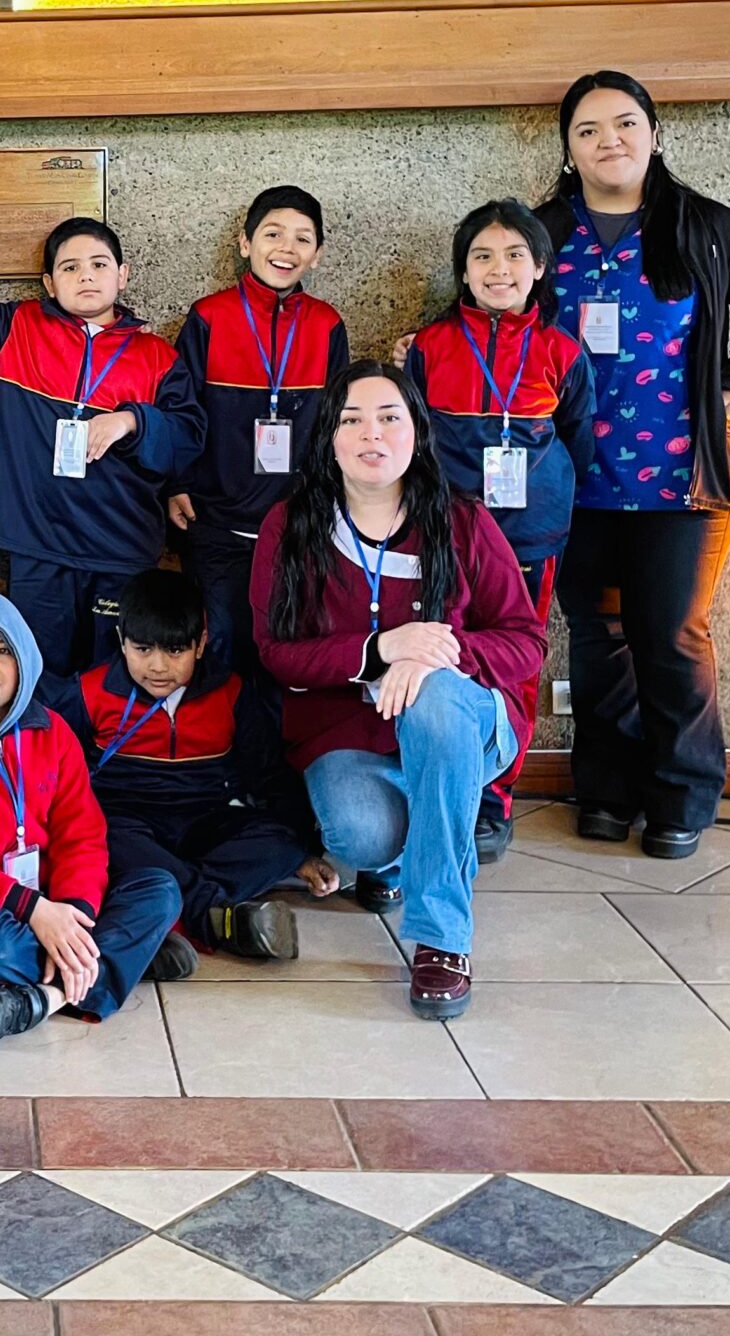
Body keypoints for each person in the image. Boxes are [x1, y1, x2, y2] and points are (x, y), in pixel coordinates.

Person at [543, 73, 730, 859]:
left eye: (624, 124)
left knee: (671, 635)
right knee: (596, 635)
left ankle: (682, 796)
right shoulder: (543, 231)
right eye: (588, 130)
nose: (608, 141)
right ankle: (606, 792)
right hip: (575, 475)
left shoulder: (708, 227)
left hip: (683, 478)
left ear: (654, 134)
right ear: (567, 148)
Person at [252, 363, 546, 1020]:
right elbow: (277, 652)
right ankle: (415, 842)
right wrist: (383, 648)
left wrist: (438, 653)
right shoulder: (292, 527)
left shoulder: (461, 521)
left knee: (434, 701)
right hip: (346, 734)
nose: (370, 433)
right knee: (359, 838)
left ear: (417, 432)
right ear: (329, 436)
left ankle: (443, 938)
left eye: (390, 417)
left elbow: (526, 641)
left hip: (462, 722)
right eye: (351, 419)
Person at [0, 589, 184, 1046]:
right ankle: (122, 956)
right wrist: (31, 909)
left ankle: (45, 997)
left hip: (53, 898)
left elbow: (83, 835)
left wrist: (71, 914)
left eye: (2, 652)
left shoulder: (53, 731)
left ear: (25, 659)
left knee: (160, 889)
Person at [403, 198, 593, 861]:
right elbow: (410, 445)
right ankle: (438, 785)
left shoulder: (561, 350)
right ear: (462, 269)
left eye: (515, 255)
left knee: (511, 665)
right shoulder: (428, 348)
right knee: (439, 659)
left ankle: (494, 798)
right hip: (445, 537)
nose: (498, 268)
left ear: (540, 267)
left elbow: (579, 444)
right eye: (482, 255)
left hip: (531, 541)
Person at [47, 568, 315, 976]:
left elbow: (266, 772)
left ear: (201, 644)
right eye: (142, 649)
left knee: (283, 843)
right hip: (124, 821)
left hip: (203, 819)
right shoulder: (89, 691)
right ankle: (214, 914)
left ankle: (172, 906)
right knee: (101, 839)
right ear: (121, 643)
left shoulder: (232, 692)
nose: (158, 666)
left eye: (175, 651)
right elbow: (52, 767)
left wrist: (302, 849)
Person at [0, 217, 204, 677]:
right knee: (37, 681)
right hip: (38, 546)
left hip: (120, 550)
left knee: (112, 685)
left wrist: (132, 420)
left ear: (122, 275)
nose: (85, 275)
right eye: (69, 267)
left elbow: (188, 436)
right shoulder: (17, 327)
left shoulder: (156, 356)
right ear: (48, 283)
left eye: (98, 264)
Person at [167, 188, 349, 687]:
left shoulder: (328, 324)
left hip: (298, 523)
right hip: (215, 519)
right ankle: (227, 762)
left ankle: (277, 763)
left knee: (290, 650)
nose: (286, 247)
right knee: (223, 642)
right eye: (272, 234)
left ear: (318, 254)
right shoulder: (209, 317)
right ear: (245, 243)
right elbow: (182, 409)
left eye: (302, 238)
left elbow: (338, 421)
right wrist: (175, 482)